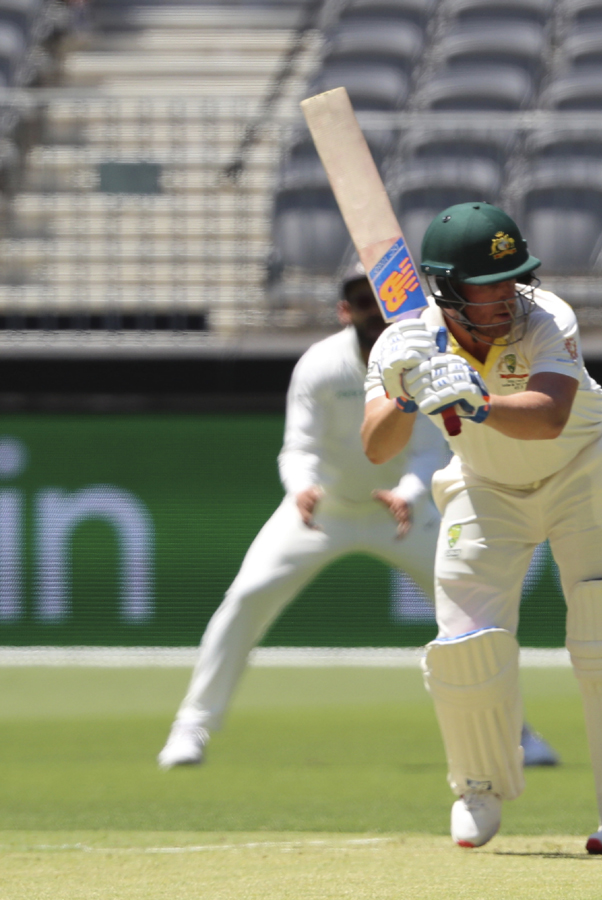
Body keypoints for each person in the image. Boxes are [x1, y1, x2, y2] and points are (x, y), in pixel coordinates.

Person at [157, 260, 559, 769]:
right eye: (361, 300)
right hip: (322, 512)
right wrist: (302, 488)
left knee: (473, 617)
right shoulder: (320, 365)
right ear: (345, 310)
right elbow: (298, 446)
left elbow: (431, 450)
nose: (372, 310)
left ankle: (513, 733)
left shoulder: (421, 359)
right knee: (245, 599)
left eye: (380, 299)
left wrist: (410, 495)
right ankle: (191, 728)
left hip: (405, 517)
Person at [361, 202, 602, 855]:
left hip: (586, 470)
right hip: (484, 486)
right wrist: (406, 391)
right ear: (447, 287)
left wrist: (476, 401)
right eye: (489, 284)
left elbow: (551, 415)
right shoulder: (403, 340)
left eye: (514, 277)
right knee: (464, 643)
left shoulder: (546, 317)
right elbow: (376, 447)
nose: (507, 295)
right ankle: (477, 787)